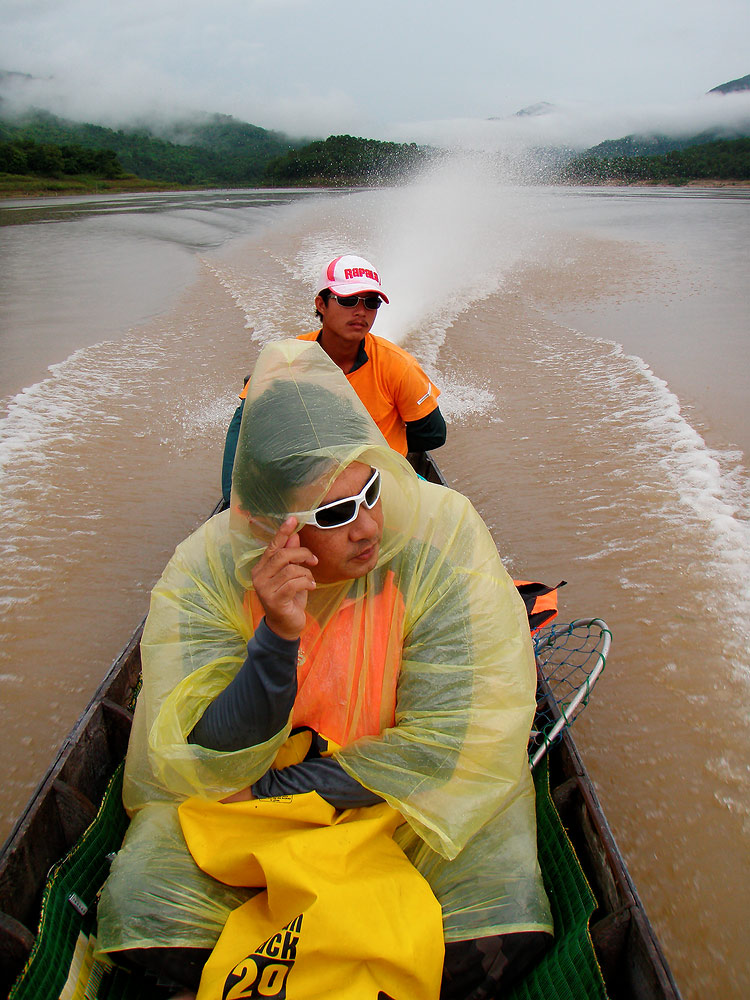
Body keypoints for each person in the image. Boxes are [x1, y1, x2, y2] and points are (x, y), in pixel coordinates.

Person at [97, 339, 551, 999]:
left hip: (402, 799)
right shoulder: (208, 573)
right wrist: (277, 640)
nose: (368, 525)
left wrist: (282, 792)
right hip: (246, 812)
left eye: (371, 490)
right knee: (143, 918)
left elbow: (447, 742)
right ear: (268, 528)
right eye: (335, 515)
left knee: (502, 921)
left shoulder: (435, 541)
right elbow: (201, 755)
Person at [221, 254, 447, 502]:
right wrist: (234, 501)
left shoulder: (398, 366)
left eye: (371, 302)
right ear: (321, 304)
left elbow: (432, 433)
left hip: (380, 489)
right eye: (348, 300)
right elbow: (244, 427)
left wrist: (383, 450)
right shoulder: (287, 360)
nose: (361, 311)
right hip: (308, 486)